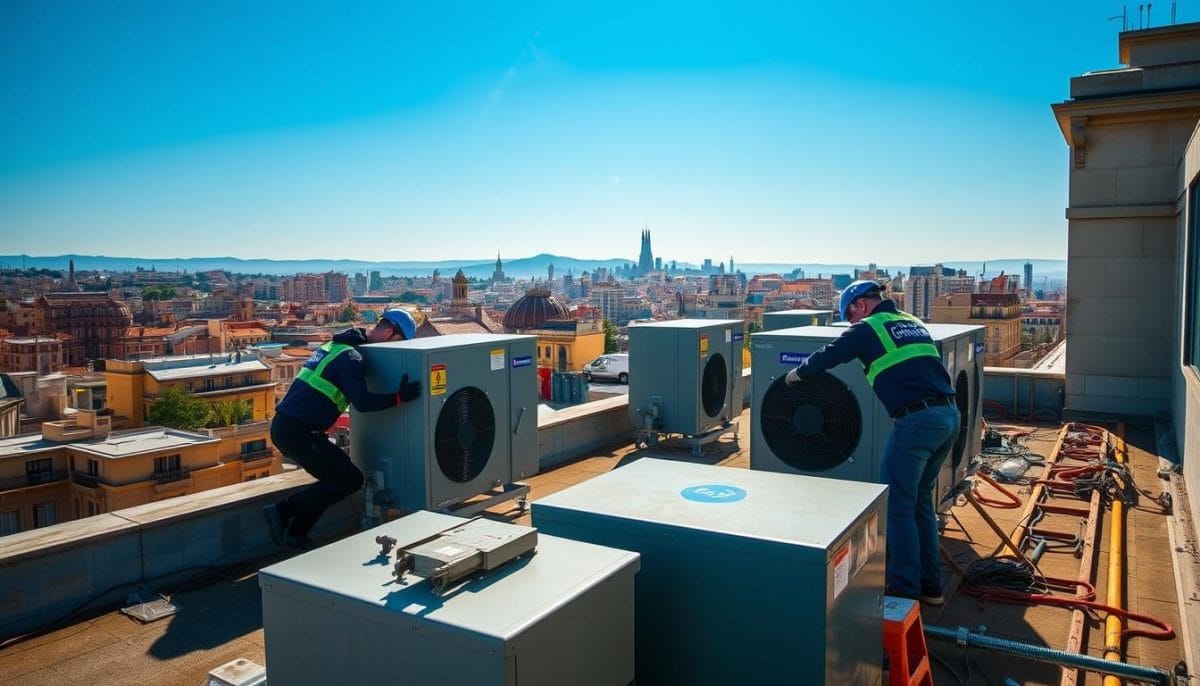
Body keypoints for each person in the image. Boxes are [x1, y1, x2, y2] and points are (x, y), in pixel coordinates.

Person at [784, 280, 959, 604]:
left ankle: (905, 591)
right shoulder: (911, 322)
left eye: (850, 316)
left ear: (860, 306)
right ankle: (931, 586)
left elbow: (830, 354)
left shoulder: (868, 327)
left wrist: (797, 374)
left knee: (897, 506)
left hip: (917, 422)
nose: (851, 322)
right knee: (920, 501)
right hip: (948, 417)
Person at [263, 308, 423, 549]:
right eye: (399, 341)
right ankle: (282, 511)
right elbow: (362, 402)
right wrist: (399, 397)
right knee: (349, 479)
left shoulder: (336, 347)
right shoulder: (352, 358)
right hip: (297, 431)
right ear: (390, 332)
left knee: (333, 480)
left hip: (291, 427)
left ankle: (296, 533)